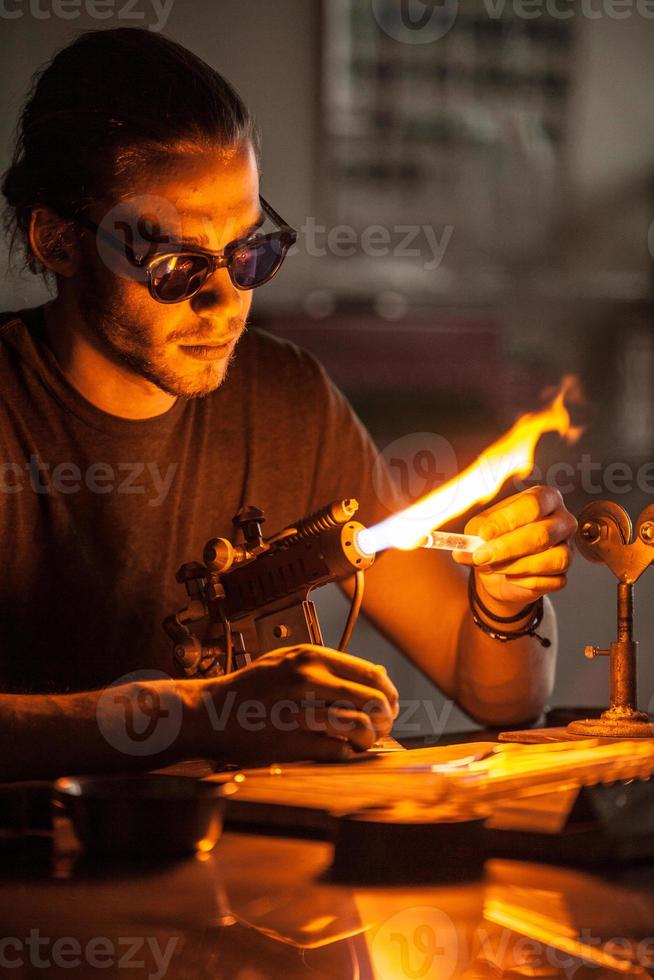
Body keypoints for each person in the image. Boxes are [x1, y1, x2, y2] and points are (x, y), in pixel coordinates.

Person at [0, 28, 577, 781]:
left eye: (248, 254)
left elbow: (499, 697)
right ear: (58, 241)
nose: (225, 300)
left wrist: (502, 603)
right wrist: (202, 715)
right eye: (176, 266)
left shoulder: (284, 400)